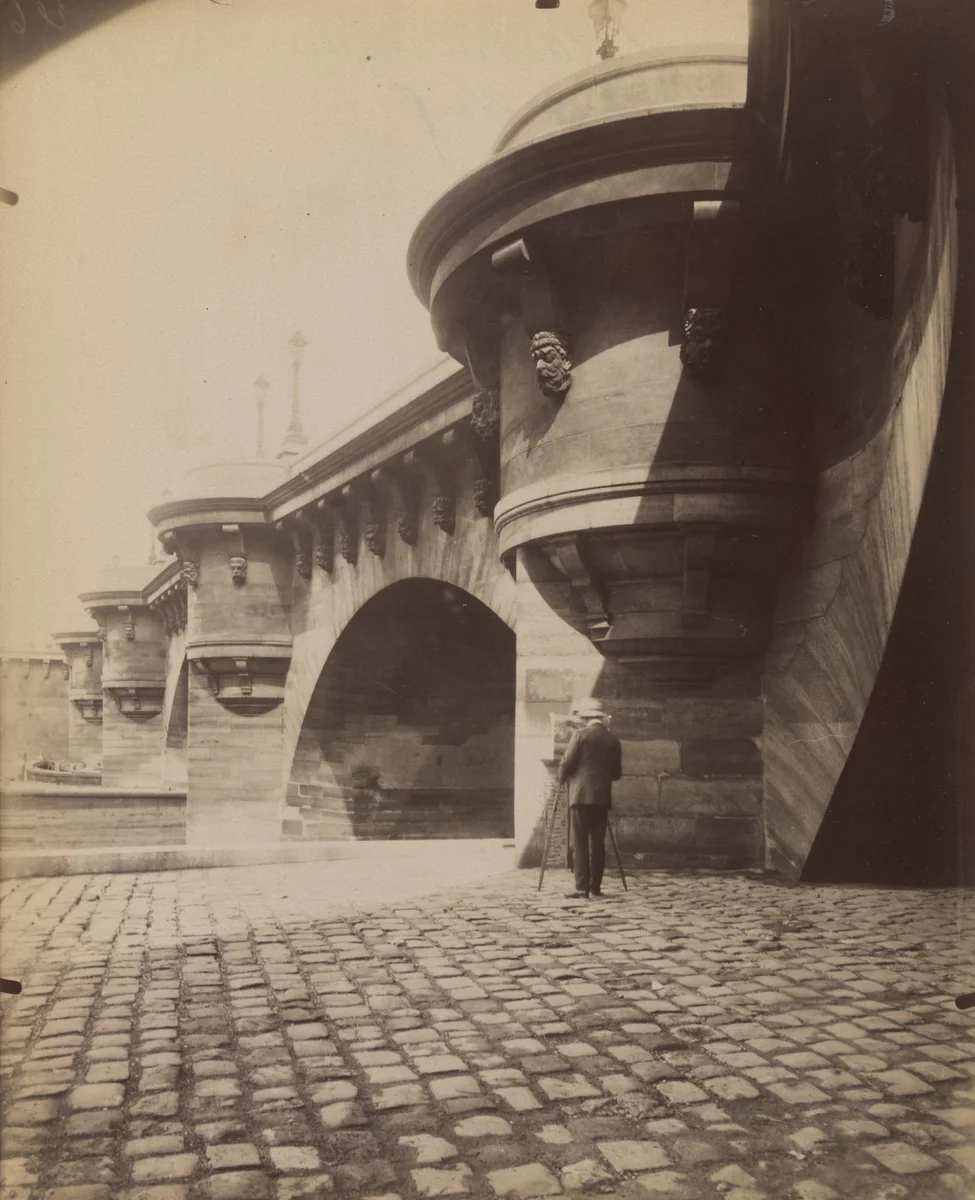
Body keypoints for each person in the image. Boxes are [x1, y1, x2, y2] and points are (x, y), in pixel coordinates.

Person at [557, 698, 622, 899]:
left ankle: (581, 888)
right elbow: (616, 773)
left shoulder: (580, 734)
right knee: (597, 842)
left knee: (580, 842)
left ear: (586, 718)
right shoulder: (613, 740)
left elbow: (567, 762)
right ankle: (595, 887)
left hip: (580, 795)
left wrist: (561, 777)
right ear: (601, 719)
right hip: (602, 796)